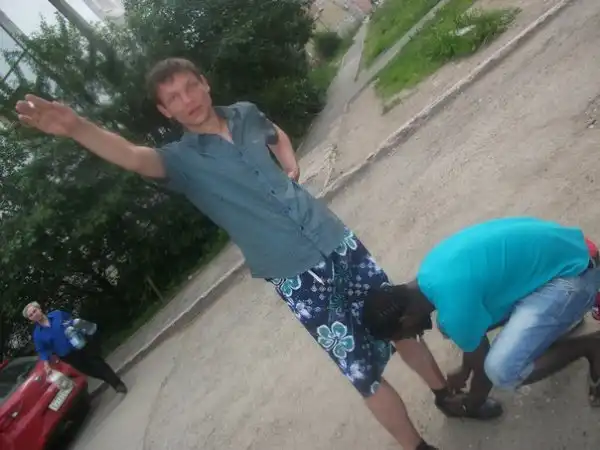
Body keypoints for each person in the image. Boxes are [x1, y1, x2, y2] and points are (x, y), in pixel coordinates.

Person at [17, 57, 472, 450]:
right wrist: (77, 128)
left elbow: (275, 133)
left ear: (205, 84)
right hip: (297, 276)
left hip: (337, 240)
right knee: (362, 371)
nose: (187, 99)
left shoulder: (245, 114)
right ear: (165, 110)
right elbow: (134, 156)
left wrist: (289, 159)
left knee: (401, 323)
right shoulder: (180, 162)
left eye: (190, 86)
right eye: (174, 97)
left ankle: (446, 396)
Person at [362, 216, 600, 415]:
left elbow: (484, 377)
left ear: (406, 320)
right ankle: (563, 319)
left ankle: (591, 345)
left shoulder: (453, 308)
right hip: (568, 252)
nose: (413, 336)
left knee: (501, 370)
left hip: (576, 275)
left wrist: (471, 404)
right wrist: (465, 370)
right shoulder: (430, 271)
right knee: (452, 327)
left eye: (403, 334)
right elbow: (472, 333)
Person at [24, 302, 127, 394]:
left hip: (80, 344)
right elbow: (43, 350)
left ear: (39, 309)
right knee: (91, 371)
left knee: (98, 363)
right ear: (30, 319)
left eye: (34, 311)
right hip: (68, 356)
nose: (34, 314)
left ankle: (117, 384)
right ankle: (110, 379)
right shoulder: (38, 335)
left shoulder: (57, 314)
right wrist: (46, 365)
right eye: (31, 315)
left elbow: (71, 320)